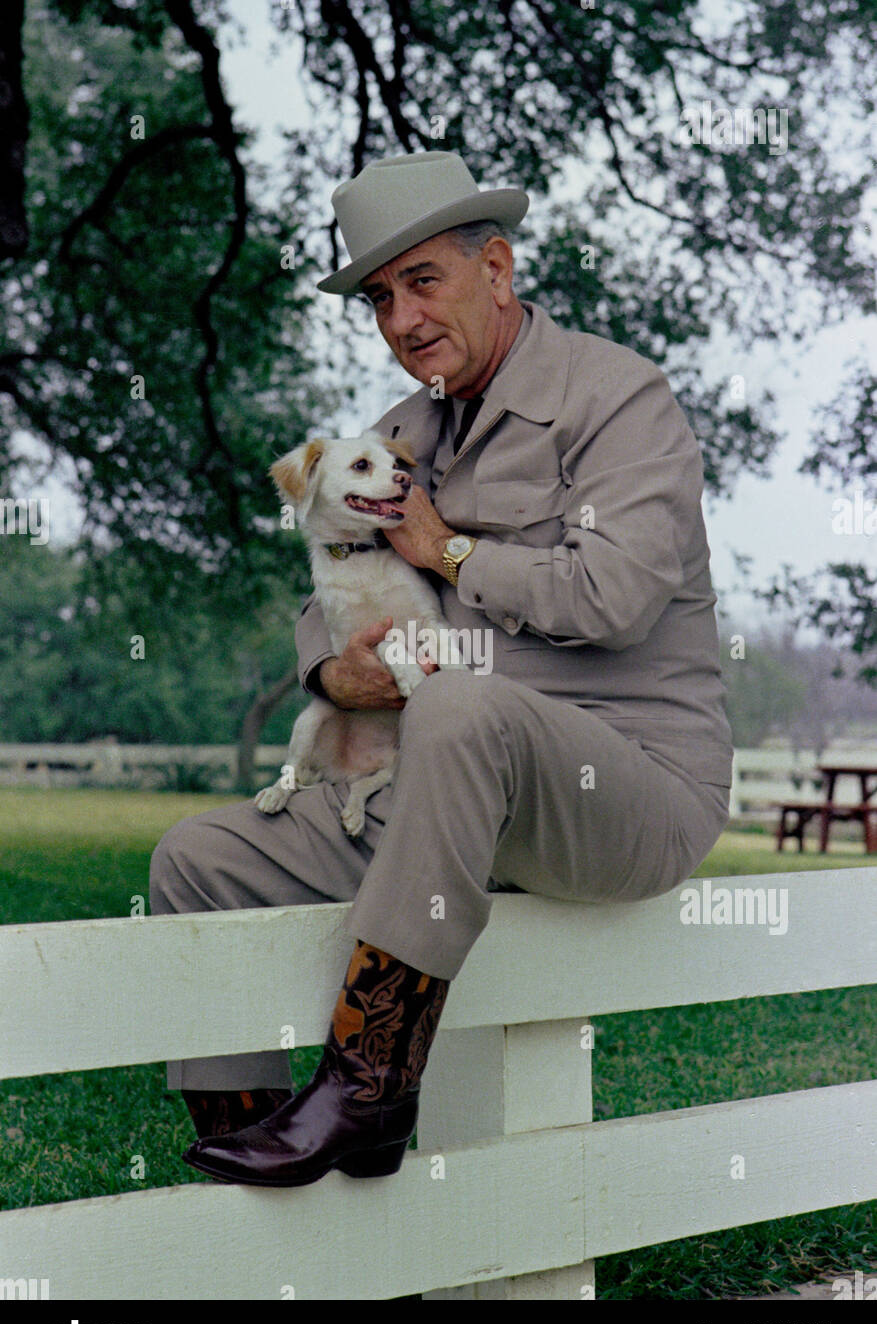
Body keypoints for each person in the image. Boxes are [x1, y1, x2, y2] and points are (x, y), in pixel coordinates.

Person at [150, 150, 733, 1187]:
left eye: (423, 281)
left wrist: (449, 551)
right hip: (442, 800)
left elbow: (614, 593)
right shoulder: (399, 431)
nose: (402, 319)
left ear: (496, 268)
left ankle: (367, 1091)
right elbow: (321, 591)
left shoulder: (617, 398)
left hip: (624, 788)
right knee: (198, 858)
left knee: (460, 706)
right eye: (379, 297)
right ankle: (251, 1164)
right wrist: (335, 676)